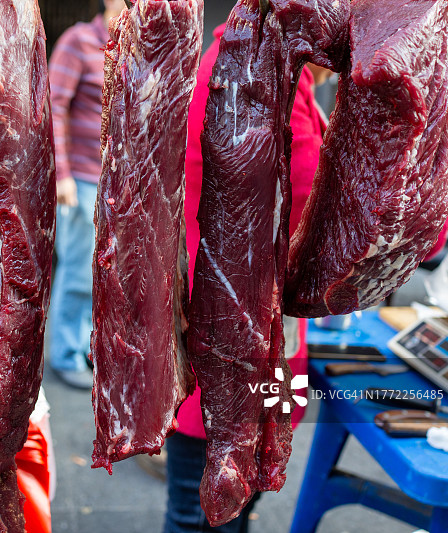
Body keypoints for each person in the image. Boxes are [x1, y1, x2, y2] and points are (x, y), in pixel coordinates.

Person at [161, 24, 329, 533]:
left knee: (241, 498)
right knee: (204, 513)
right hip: (226, 350)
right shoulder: (251, 74)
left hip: (267, 343)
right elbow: (312, 217)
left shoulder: (266, 66)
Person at [46, 0, 126, 390]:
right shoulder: (79, 41)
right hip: (80, 179)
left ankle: (91, 349)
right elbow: (53, 106)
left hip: (119, 184)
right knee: (79, 270)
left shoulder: (135, 44)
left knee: (110, 274)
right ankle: (65, 355)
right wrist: (61, 177)